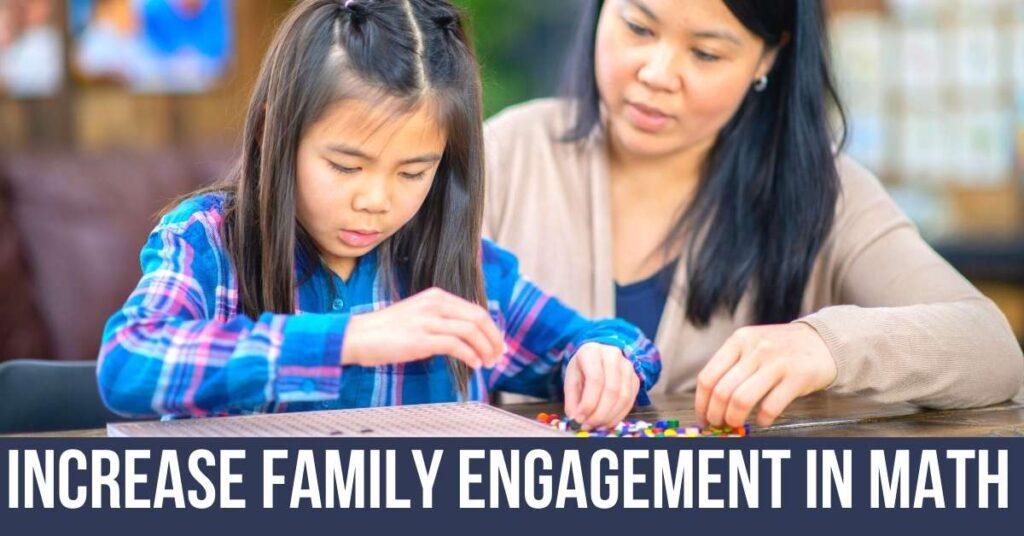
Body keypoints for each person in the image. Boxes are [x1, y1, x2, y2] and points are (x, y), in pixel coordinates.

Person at [97, 0, 660, 430]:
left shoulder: (460, 275)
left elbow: (610, 341)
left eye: (413, 173)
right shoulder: (208, 243)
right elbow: (128, 361)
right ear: (276, 133)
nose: (377, 200)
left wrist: (605, 358)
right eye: (346, 166)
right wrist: (349, 339)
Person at [483, 0, 1023, 429]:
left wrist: (825, 345)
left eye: (706, 54)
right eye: (639, 28)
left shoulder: (821, 193)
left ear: (768, 57)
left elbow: (992, 349)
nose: (658, 72)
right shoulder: (505, 157)